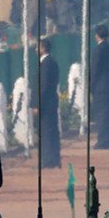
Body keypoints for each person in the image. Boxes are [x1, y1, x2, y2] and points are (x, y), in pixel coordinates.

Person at [91, 25, 109, 150]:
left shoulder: (98, 50)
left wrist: (91, 86)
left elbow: (95, 70)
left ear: (97, 36)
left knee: (102, 114)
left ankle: (103, 141)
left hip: (100, 87)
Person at [37, 38, 61, 168]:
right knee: (52, 131)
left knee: (46, 132)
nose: (36, 50)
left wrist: (38, 104)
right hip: (51, 101)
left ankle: (48, 160)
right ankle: (54, 159)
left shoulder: (45, 64)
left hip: (46, 103)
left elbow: (43, 86)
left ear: (43, 48)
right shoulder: (52, 62)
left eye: (38, 47)